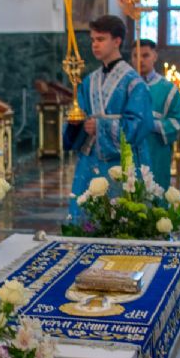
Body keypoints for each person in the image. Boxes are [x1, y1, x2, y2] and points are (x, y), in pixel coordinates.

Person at [63, 15, 154, 219]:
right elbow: (80, 116)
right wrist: (76, 124)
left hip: (121, 163)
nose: (95, 45)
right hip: (90, 162)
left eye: (101, 39)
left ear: (117, 41)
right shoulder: (89, 81)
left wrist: (101, 126)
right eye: (93, 40)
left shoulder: (134, 83)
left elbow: (139, 124)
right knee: (88, 218)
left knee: (120, 219)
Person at [131, 39, 180, 191]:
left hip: (156, 151)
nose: (140, 60)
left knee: (156, 194)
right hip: (130, 152)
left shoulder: (168, 89)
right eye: (135, 56)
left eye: (145, 55)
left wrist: (153, 124)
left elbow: (179, 119)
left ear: (155, 56)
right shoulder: (126, 86)